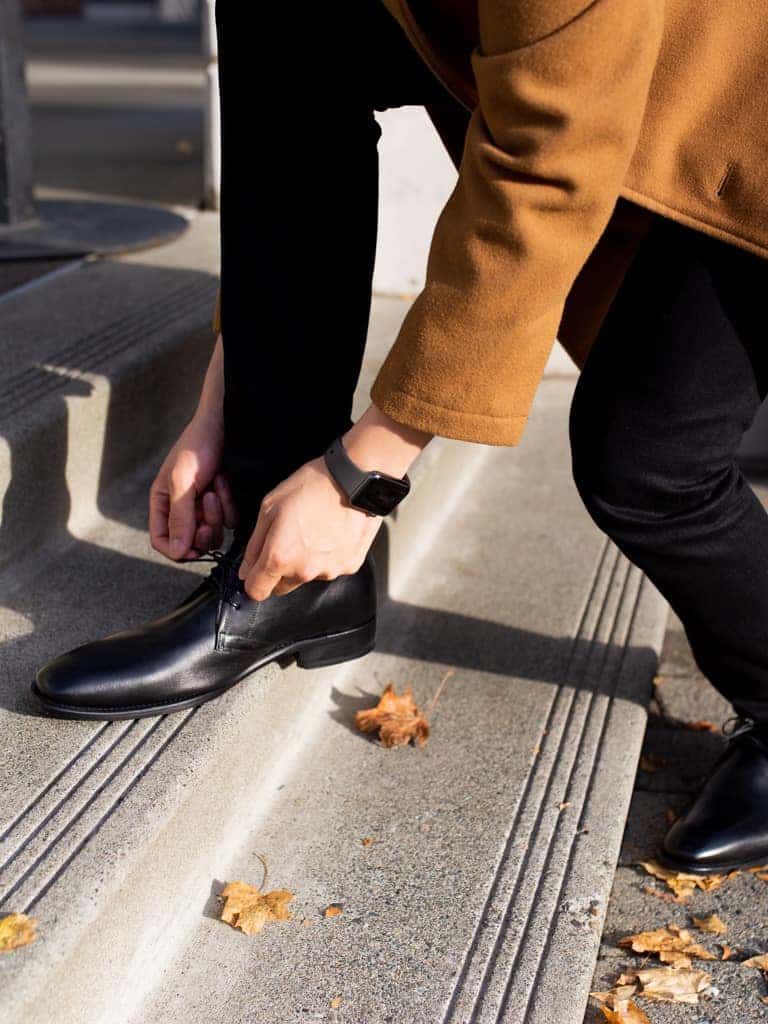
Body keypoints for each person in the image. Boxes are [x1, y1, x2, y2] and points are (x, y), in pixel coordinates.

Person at [32, 0, 768, 876]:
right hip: (619, 75)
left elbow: (546, 167)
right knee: (290, 22)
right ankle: (291, 580)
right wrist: (229, 399)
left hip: (742, 117)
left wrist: (360, 480)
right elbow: (289, 140)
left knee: (648, 464)